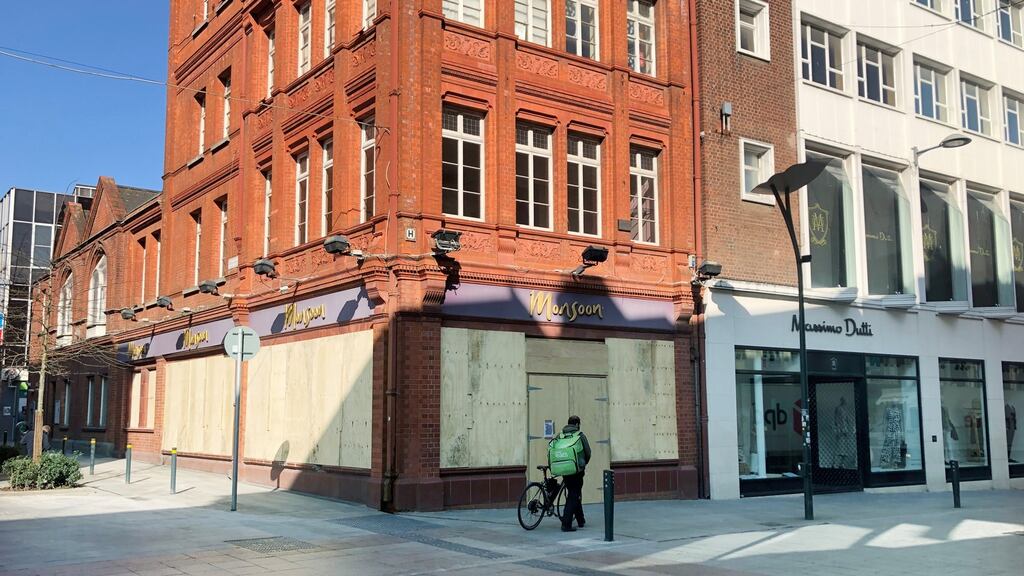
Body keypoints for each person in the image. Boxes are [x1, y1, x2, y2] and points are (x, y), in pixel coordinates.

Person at [560, 415, 591, 532]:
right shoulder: (580, 436)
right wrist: (583, 464)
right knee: (574, 494)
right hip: (577, 471)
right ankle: (566, 523)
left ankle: (580, 520)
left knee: (574, 493)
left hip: (565, 470)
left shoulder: (561, 435)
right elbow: (588, 452)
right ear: (577, 424)